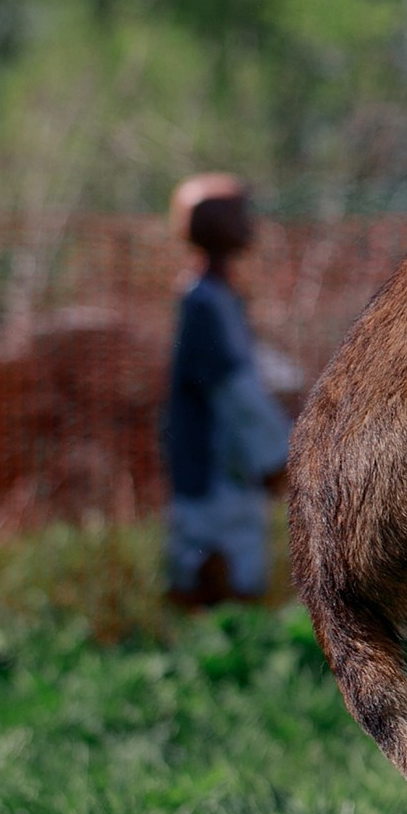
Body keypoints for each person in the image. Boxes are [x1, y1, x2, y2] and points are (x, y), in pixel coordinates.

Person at [164, 173, 291, 607]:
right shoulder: (204, 303)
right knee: (215, 551)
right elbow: (234, 388)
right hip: (213, 461)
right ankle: (221, 647)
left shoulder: (217, 298)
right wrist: (277, 455)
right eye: (240, 215)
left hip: (227, 460)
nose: (248, 224)